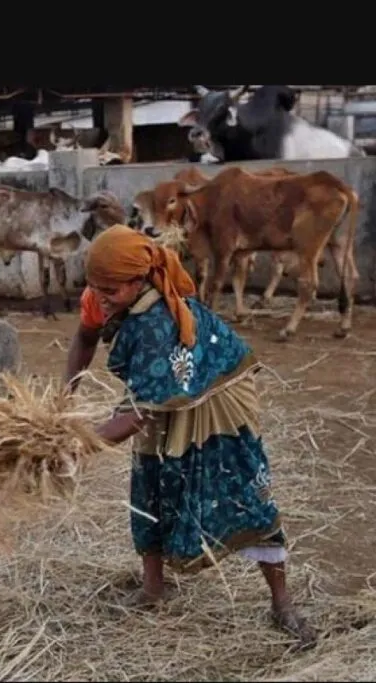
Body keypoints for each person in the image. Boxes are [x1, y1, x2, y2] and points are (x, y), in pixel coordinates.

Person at [65, 224, 316, 648]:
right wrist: (63, 396)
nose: (101, 296)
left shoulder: (156, 325)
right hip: (160, 393)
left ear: (139, 279)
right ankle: (152, 588)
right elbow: (85, 336)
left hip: (219, 398)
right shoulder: (102, 294)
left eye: (110, 288)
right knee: (150, 483)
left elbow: (136, 417)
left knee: (244, 491)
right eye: (95, 286)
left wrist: (73, 446)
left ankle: (282, 603)